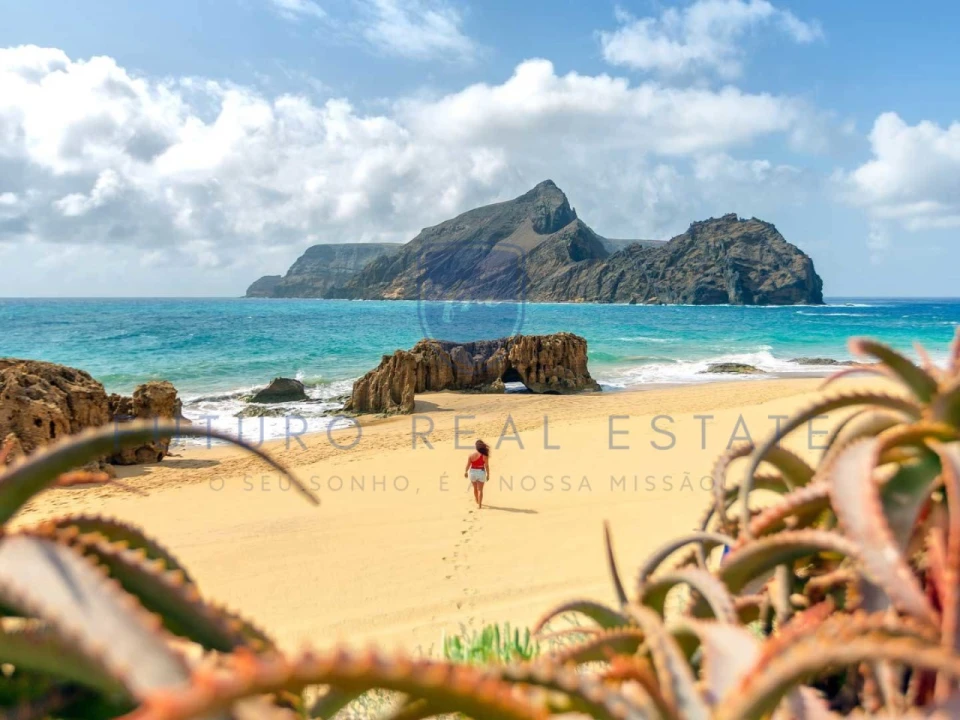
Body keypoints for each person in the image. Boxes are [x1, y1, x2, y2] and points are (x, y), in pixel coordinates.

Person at [464, 439, 490, 509]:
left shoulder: (471, 455)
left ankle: (477, 501)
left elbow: (468, 465)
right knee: (480, 490)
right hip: (481, 472)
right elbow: (487, 466)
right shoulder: (485, 455)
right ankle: (480, 505)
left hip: (472, 472)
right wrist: (488, 475)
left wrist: (465, 472)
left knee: (475, 488)